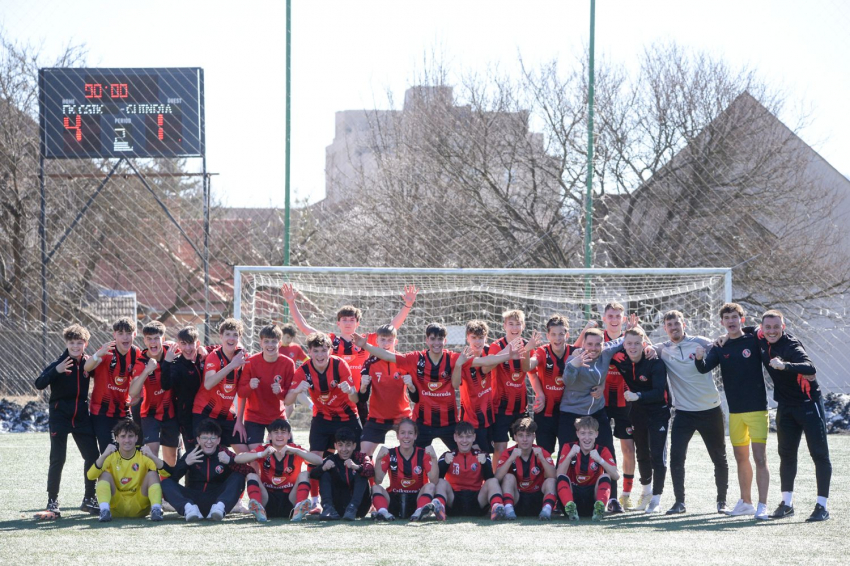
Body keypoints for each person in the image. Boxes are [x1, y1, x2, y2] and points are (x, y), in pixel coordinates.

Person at [353, 323, 514, 451]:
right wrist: (365, 346)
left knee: (466, 454)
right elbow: (388, 356)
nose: (436, 343)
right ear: (427, 340)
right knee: (413, 459)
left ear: (445, 341)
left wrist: (509, 355)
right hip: (423, 423)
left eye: (440, 339)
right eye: (433, 339)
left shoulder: (452, 358)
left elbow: (483, 361)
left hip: (449, 423)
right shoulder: (416, 358)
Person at [281, 283, 418, 425]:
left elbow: (391, 328)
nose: (348, 323)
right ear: (338, 323)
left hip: (357, 396)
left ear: (357, 323)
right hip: (335, 399)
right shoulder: (330, 341)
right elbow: (305, 328)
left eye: (352, 320)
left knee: (361, 436)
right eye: (344, 320)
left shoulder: (364, 340)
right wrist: (291, 303)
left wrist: (407, 305)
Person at [750, 310, 830, 522]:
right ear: (762, 328)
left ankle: (822, 507)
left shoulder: (791, 345)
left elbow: (810, 367)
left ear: (783, 327)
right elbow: (748, 330)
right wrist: (723, 337)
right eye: (768, 327)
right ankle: (787, 504)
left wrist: (785, 365)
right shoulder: (759, 335)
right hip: (785, 406)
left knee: (819, 455)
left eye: (776, 327)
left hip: (808, 404)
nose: (772, 331)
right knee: (786, 454)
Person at [695, 303, 770, 520]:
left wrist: (743, 331)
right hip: (735, 412)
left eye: (735, 317)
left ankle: (763, 505)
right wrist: (699, 357)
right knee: (740, 458)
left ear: (741, 319)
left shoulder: (753, 339)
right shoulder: (720, 346)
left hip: (757, 409)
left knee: (760, 458)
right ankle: (746, 502)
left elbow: (761, 328)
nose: (731, 321)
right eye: (727, 318)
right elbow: (704, 368)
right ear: (722, 322)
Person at [653, 310, 729, 515]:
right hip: (683, 412)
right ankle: (679, 502)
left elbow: (722, 342)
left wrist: (723, 338)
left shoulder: (701, 342)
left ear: (683, 325)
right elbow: (640, 347)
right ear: (665, 329)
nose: (673, 328)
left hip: (710, 409)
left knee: (719, 457)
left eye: (676, 324)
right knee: (676, 458)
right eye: (669, 325)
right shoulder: (662, 349)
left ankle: (722, 502)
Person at [285, 331, 360, 514]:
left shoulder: (340, 365)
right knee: (315, 457)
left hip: (347, 417)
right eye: (316, 351)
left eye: (324, 350)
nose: (320, 355)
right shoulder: (303, 370)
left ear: (330, 350)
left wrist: (350, 391)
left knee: (359, 458)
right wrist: (297, 391)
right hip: (322, 418)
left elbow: (355, 399)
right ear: (309, 352)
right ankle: (315, 501)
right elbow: (287, 401)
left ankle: (364, 499)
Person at [558, 324, 629, 510]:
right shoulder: (575, 358)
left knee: (608, 450)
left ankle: (612, 500)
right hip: (571, 413)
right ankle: (561, 500)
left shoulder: (605, 353)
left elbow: (620, 342)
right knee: (566, 454)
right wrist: (574, 365)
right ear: (583, 344)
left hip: (596, 412)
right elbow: (567, 381)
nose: (594, 348)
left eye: (598, 344)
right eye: (590, 344)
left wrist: (630, 331)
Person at [35, 323, 101, 518]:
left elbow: (102, 374)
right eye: (72, 343)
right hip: (60, 416)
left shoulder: (88, 363)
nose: (75, 346)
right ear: (66, 343)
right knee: (58, 458)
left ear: (85, 344)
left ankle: (89, 498)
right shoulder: (60, 363)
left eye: (79, 343)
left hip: (81, 416)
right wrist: (56, 370)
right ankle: (52, 501)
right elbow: (39, 383)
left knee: (92, 456)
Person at [609, 328, 670, 513]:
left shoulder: (654, 361)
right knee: (642, 453)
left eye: (637, 343)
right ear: (624, 345)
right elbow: (600, 352)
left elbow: (659, 392)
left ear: (644, 344)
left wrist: (638, 395)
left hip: (658, 412)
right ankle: (646, 494)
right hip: (638, 413)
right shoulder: (621, 359)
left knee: (657, 455)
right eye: (629, 343)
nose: (633, 347)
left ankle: (657, 499)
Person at [157, 418, 253, 521]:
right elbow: (173, 478)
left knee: (238, 477)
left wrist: (230, 461)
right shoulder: (192, 453)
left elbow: (248, 471)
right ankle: (188, 509)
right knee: (165, 483)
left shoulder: (224, 453)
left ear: (218, 440)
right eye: (204, 438)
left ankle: (220, 508)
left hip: (217, 499)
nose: (209, 442)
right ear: (198, 440)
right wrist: (185, 463)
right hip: (193, 500)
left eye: (213, 438)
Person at [232, 418, 321, 522]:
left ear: (289, 435)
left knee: (305, 474)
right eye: (276, 432)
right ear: (269, 436)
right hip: (267, 500)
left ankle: (298, 509)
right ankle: (259, 510)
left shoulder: (295, 449)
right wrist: (261, 454)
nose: (279, 435)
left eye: (283, 432)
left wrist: (297, 451)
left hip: (290, 499)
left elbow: (319, 461)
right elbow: (237, 459)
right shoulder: (264, 449)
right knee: (251, 475)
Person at [86, 419, 167, 522]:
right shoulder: (110, 456)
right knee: (104, 475)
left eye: (130, 436)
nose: (127, 440)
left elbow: (166, 473)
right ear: (116, 438)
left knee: (152, 474)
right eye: (123, 436)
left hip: (140, 507)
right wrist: (104, 455)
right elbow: (90, 476)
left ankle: (156, 510)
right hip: (116, 507)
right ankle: (104, 510)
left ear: (136, 438)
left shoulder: (143, 454)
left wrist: (152, 456)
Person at [84, 317, 145, 452]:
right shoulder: (107, 350)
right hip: (101, 411)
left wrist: (138, 395)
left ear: (134, 335)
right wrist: (97, 355)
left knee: (129, 448)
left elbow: (139, 378)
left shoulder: (136, 353)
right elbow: (87, 367)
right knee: (110, 450)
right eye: (121, 333)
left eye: (128, 333)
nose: (125, 337)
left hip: (123, 410)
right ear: (114, 335)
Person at [523, 314, 580, 457]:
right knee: (544, 454)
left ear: (567, 335)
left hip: (567, 412)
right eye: (553, 334)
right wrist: (527, 350)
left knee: (567, 453)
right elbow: (527, 367)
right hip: (544, 412)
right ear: (548, 336)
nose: (557, 338)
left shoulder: (575, 352)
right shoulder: (542, 352)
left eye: (561, 334)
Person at [599, 302, 636, 512]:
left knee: (628, 449)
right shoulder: (596, 339)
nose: (614, 320)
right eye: (610, 316)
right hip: (600, 402)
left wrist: (643, 339)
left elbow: (647, 350)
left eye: (617, 316)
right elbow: (576, 351)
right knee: (605, 450)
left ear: (623, 319)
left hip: (626, 402)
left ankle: (626, 495)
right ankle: (605, 495)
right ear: (604, 318)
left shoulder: (631, 338)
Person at [236, 324, 296, 450]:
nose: (270, 345)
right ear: (261, 343)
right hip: (254, 417)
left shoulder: (288, 364)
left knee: (287, 452)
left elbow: (289, 397)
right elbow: (241, 393)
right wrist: (249, 386)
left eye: (274, 341)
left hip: (277, 416)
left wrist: (280, 392)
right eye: (266, 341)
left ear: (280, 343)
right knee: (255, 454)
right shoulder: (250, 362)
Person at [194, 318, 249, 451]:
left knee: (246, 453)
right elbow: (208, 384)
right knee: (204, 454)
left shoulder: (242, 357)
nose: (231, 338)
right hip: (205, 413)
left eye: (235, 335)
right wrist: (232, 365)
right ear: (221, 336)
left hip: (226, 414)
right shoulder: (214, 356)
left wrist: (239, 421)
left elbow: (243, 393)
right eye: (227, 334)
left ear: (239, 338)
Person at [433, 421, 507, 521]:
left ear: (474, 437)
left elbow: (489, 479)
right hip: (454, 501)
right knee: (441, 482)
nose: (464, 440)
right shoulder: (447, 455)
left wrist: (484, 463)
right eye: (461, 437)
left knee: (493, 481)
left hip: (477, 500)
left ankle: (497, 507)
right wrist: (445, 463)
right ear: (455, 437)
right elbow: (437, 480)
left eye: (468, 437)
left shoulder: (482, 455)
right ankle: (440, 508)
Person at [129, 321, 179, 466]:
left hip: (170, 413)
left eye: (156, 338)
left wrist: (201, 349)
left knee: (171, 458)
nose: (153, 342)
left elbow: (190, 348)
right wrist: (146, 371)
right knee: (152, 453)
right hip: (149, 413)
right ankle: (152, 481)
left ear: (163, 339)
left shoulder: (172, 351)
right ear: (144, 341)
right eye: (149, 339)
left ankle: (166, 481)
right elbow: (133, 392)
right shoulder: (141, 362)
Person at [358, 324, 413, 457]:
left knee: (413, 452)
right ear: (376, 341)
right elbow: (363, 398)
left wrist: (411, 386)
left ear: (396, 341)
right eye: (383, 339)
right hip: (377, 418)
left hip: (402, 417)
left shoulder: (404, 361)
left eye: (390, 340)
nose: (386, 343)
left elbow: (415, 397)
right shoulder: (369, 363)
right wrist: (363, 387)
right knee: (363, 455)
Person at [371, 418, 439, 521]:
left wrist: (434, 459)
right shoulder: (390, 454)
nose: (406, 436)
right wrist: (378, 459)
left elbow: (434, 480)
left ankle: (419, 511)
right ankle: (383, 513)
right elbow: (378, 480)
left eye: (410, 433)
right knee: (375, 487)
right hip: (395, 498)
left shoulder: (423, 454)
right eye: (402, 433)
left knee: (430, 486)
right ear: (397, 436)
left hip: (417, 498)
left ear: (415, 436)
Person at [451, 320, 502, 454]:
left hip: (489, 416)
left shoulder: (489, 352)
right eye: (474, 337)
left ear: (486, 338)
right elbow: (455, 384)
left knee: (488, 455)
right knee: (476, 456)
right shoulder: (462, 358)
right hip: (471, 420)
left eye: (481, 338)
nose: (477, 342)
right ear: (467, 338)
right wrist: (458, 366)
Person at [556, 416, 620, 521]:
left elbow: (616, 476)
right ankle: (571, 508)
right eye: (583, 433)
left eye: (590, 433)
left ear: (596, 434)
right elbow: (559, 474)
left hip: (593, 499)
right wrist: (570, 455)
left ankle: (599, 508)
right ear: (577, 434)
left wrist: (600, 460)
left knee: (605, 476)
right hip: (573, 496)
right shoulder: (569, 447)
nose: (586, 438)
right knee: (562, 477)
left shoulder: (602, 450)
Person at [494, 417, 557, 520]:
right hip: (517, 498)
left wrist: (541, 458)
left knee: (550, 481)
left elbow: (554, 476)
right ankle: (509, 510)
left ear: (534, 436)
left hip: (537, 499)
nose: (524, 439)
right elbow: (497, 478)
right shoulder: (508, 453)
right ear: (515, 437)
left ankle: (546, 510)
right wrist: (511, 459)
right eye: (520, 435)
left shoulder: (541, 451)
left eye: (528, 435)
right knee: (508, 477)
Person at [489, 310, 529, 464]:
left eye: (518, 324)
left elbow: (532, 373)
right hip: (500, 407)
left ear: (523, 326)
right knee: (500, 447)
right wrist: (505, 354)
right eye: (511, 324)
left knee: (525, 446)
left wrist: (540, 394)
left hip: (521, 407)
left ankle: (523, 476)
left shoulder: (527, 345)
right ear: (504, 326)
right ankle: (496, 477)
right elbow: (487, 367)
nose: (514, 328)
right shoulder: (496, 346)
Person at [310, 427, 375, 521]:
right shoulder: (331, 459)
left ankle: (352, 507)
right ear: (335, 446)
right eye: (340, 445)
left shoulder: (361, 457)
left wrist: (356, 467)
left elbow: (371, 471)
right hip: (338, 508)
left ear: (354, 445)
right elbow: (312, 475)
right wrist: (323, 468)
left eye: (348, 445)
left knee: (362, 473)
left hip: (359, 508)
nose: (344, 449)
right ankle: (328, 508)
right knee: (324, 473)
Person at [160, 326, 207, 451]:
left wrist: (204, 349)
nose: (188, 348)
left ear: (197, 343)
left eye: (191, 343)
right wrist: (167, 362)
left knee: (209, 447)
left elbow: (223, 348)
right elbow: (165, 385)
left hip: (206, 412)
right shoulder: (176, 364)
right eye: (183, 344)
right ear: (178, 345)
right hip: (186, 415)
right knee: (193, 450)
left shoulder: (204, 358)